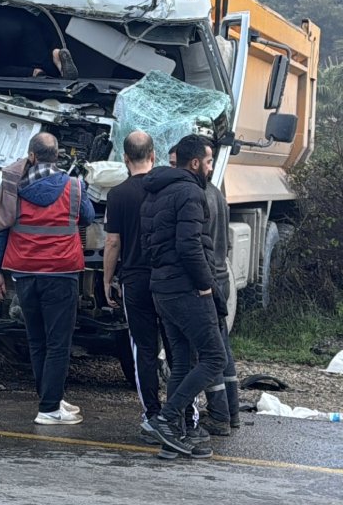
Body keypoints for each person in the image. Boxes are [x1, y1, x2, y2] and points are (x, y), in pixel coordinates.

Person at [0, 132, 95, 425]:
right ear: (57, 156)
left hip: (24, 274)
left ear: (32, 157)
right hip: (61, 272)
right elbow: (87, 217)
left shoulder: (13, 189)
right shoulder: (74, 187)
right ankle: (49, 408)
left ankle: (52, 397)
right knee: (59, 342)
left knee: (37, 340)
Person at [140, 135, 226, 459]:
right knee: (214, 357)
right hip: (186, 290)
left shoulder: (155, 192)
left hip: (161, 289)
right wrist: (206, 285)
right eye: (208, 162)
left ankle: (171, 441)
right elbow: (189, 246)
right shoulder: (191, 192)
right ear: (194, 163)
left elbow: (150, 243)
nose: (210, 167)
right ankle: (164, 419)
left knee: (182, 363)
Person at [101, 131, 166, 443]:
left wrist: (106, 279)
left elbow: (113, 243)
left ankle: (152, 413)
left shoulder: (117, 195)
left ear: (125, 159)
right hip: (168, 280)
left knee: (144, 348)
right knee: (177, 345)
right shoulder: (168, 191)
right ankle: (181, 412)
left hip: (135, 280)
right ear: (153, 155)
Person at [199, 136, 241, 435]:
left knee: (208, 353)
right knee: (223, 351)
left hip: (208, 283)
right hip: (221, 279)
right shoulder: (217, 194)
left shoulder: (198, 196)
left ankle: (218, 416)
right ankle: (233, 412)